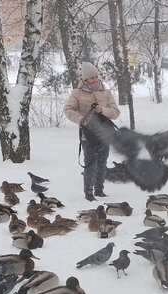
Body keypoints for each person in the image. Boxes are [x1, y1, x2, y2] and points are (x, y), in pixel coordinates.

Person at [64, 62, 121, 202]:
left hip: (104, 134)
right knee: (89, 164)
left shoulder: (106, 93)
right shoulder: (77, 93)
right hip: (87, 135)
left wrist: (103, 110)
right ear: (85, 80)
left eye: (96, 76)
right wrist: (82, 120)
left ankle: (99, 190)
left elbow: (115, 113)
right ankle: (88, 192)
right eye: (91, 77)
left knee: (102, 163)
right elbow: (68, 110)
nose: (95, 79)